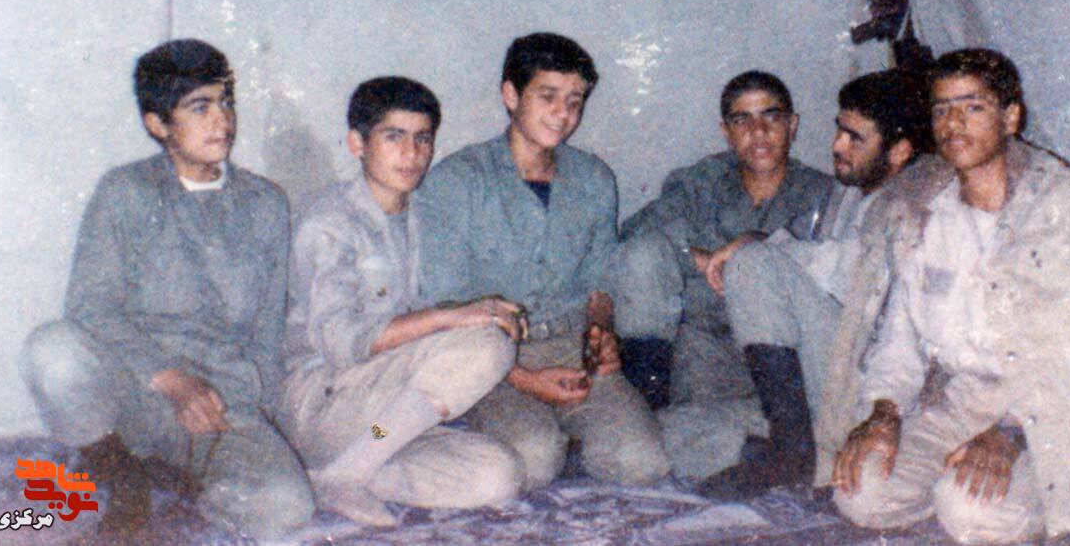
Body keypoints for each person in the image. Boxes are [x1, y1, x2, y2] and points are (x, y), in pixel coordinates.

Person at [830, 49, 1070, 543]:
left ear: (1010, 118)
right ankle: (959, 481)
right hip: (966, 397)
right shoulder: (927, 210)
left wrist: (1010, 433)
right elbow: (900, 339)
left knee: (969, 509)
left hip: (1052, 407)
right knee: (860, 491)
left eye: (973, 107)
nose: (954, 124)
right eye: (942, 110)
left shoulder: (1064, 204)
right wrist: (883, 415)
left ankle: (1020, 491)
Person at [21, 39, 314, 543]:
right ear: (158, 124)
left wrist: (254, 421)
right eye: (200, 107)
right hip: (137, 389)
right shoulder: (126, 192)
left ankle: (188, 478)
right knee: (52, 350)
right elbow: (91, 304)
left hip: (221, 404)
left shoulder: (266, 203)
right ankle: (123, 479)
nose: (221, 120)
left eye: (225, 103)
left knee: (287, 508)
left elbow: (268, 333)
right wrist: (172, 380)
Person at [419, 32, 669, 489]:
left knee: (642, 463)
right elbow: (444, 307)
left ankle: (566, 430)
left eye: (575, 101)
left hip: (569, 345)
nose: (563, 113)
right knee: (533, 460)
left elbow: (600, 281)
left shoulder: (593, 178)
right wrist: (522, 378)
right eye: (547, 96)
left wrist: (601, 334)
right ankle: (477, 427)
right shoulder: (458, 181)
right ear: (511, 95)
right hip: (490, 355)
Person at [281, 77, 526, 526]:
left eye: (422, 139)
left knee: (499, 475)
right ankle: (347, 471)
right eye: (394, 137)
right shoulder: (330, 223)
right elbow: (343, 345)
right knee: (487, 343)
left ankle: (348, 470)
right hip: (326, 403)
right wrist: (451, 317)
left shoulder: (422, 215)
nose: (411, 153)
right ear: (357, 144)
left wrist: (465, 310)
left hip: (382, 423)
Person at [701, 69, 928, 497]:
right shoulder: (851, 189)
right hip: (831, 367)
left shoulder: (914, 204)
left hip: (877, 385)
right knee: (684, 434)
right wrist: (761, 240)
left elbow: (850, 274)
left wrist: (760, 246)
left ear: (899, 151)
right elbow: (811, 255)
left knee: (752, 265)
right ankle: (796, 451)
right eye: (839, 130)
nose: (837, 146)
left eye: (854, 138)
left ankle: (792, 453)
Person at [608, 70, 832, 482]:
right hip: (709, 359)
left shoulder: (824, 194)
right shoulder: (703, 183)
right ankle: (758, 449)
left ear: (793, 124)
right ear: (726, 131)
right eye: (742, 120)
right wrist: (698, 258)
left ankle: (767, 446)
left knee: (690, 435)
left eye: (771, 116)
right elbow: (631, 238)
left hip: (787, 366)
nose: (758, 132)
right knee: (641, 256)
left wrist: (759, 244)